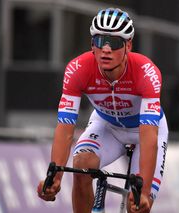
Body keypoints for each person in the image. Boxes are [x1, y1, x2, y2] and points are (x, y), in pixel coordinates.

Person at [37, 8, 169, 213]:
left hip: (146, 130)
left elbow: (148, 134)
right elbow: (65, 127)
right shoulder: (77, 69)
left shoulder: (147, 72)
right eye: (100, 41)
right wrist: (55, 177)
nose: (106, 49)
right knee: (81, 166)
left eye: (114, 42)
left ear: (128, 46)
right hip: (106, 125)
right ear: (92, 45)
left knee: (137, 206)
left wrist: (142, 191)